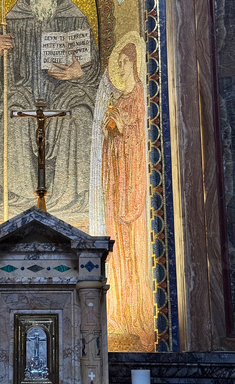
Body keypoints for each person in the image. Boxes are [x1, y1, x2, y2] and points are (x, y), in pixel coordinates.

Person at [0, 0, 100, 226]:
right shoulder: (13, 19)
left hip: (67, 91)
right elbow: (0, 76)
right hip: (24, 90)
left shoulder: (74, 17)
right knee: (12, 117)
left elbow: (94, 66)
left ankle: (72, 198)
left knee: (81, 117)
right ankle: (18, 197)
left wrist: (79, 72)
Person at [101, 41, 154, 351]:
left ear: (135, 66)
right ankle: (121, 313)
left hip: (135, 190)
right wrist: (112, 132)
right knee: (120, 252)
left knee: (136, 250)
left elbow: (141, 141)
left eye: (124, 65)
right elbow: (111, 145)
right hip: (118, 186)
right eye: (118, 65)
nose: (120, 70)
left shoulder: (141, 99)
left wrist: (124, 131)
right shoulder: (117, 101)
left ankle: (139, 315)